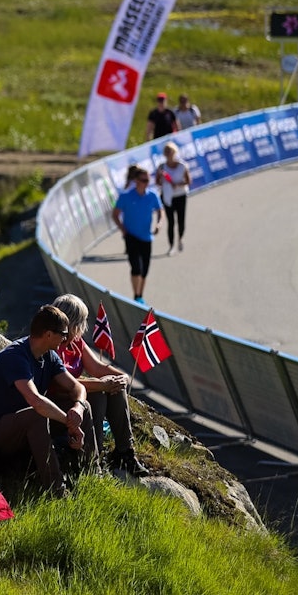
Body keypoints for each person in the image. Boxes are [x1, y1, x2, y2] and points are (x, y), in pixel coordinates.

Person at [0, 305, 95, 497]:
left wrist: (77, 410)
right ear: (48, 335)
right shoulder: (14, 356)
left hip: (23, 425)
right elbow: (36, 400)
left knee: (83, 405)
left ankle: (90, 471)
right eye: (63, 334)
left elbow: (77, 387)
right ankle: (56, 489)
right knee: (36, 416)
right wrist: (68, 422)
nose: (66, 339)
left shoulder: (49, 355)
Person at [50, 294, 149, 477]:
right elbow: (62, 382)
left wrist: (121, 377)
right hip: (59, 400)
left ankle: (125, 451)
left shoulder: (76, 342)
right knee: (98, 394)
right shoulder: (54, 344)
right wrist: (102, 385)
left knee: (114, 390)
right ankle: (95, 453)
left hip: (74, 396)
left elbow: (97, 367)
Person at [112, 166, 162, 302]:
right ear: (136, 181)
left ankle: (140, 294)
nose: (146, 182)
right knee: (136, 267)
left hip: (146, 237)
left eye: (148, 180)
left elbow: (160, 211)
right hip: (131, 236)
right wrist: (123, 229)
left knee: (145, 270)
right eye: (143, 180)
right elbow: (115, 214)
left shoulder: (152, 196)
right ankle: (136, 296)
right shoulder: (126, 196)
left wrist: (159, 224)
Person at [157, 141, 190, 255]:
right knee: (171, 222)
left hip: (180, 195)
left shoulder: (182, 165)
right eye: (166, 151)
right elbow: (157, 182)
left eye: (170, 151)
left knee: (181, 220)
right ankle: (171, 246)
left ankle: (180, 238)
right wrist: (163, 181)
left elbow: (188, 181)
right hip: (167, 197)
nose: (168, 154)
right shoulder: (162, 167)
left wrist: (179, 184)